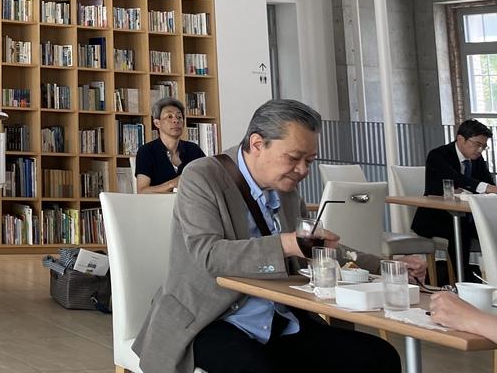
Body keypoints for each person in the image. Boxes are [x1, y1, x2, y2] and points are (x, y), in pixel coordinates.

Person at [133, 98, 411, 373]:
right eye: (293, 158)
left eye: (309, 161)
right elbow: (209, 255)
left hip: (281, 315)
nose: (303, 170)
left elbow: (313, 246)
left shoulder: (286, 188)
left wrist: (383, 266)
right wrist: (286, 244)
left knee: (378, 356)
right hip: (211, 318)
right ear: (257, 144)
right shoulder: (202, 176)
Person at [413, 118, 494, 281]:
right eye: (477, 144)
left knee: (490, 226)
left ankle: (491, 276)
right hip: (436, 217)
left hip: (467, 216)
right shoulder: (438, 155)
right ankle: (463, 281)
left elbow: (489, 184)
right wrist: (484, 188)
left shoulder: (477, 160)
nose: (480, 150)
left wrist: (486, 188)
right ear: (461, 139)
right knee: (461, 229)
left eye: (484, 146)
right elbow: (456, 179)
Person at [135, 96, 205, 193]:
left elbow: (207, 178)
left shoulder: (193, 149)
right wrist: (173, 184)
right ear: (157, 123)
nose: (176, 120)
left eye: (179, 117)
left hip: (190, 201)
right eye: (169, 117)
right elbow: (142, 191)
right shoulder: (146, 151)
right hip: (158, 202)